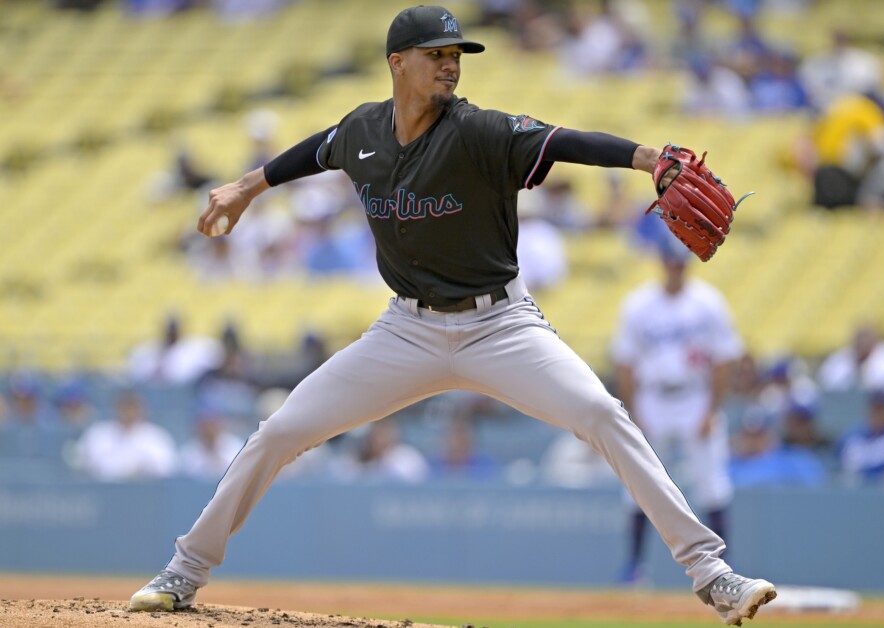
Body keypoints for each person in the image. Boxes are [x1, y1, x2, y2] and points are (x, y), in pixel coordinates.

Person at [129, 7, 775, 624]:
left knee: (603, 413)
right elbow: (313, 151)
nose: (450, 65)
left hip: (501, 326)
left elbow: (567, 141)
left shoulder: (478, 132)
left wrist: (649, 159)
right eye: (436, 55)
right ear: (397, 62)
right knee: (278, 432)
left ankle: (712, 573)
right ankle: (183, 572)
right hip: (405, 331)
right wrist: (245, 187)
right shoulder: (362, 133)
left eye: (456, 55)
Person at [611, 237, 742, 588]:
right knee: (639, 482)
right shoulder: (639, 304)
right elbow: (625, 362)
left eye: (680, 262)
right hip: (652, 398)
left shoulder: (708, 302)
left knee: (712, 484)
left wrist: (712, 410)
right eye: (670, 261)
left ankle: (723, 572)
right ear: (661, 262)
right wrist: (636, 411)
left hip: (695, 396)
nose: (675, 268)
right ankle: (635, 568)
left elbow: (725, 359)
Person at [73, 391, 177, 482]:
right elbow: (80, 465)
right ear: (116, 408)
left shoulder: (157, 437)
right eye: (125, 407)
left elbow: (167, 470)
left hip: (145, 496)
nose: (128, 412)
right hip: (104, 494)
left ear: (142, 409)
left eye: (133, 407)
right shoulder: (97, 434)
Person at [817, 323, 884, 393]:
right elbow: (827, 387)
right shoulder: (838, 360)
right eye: (859, 338)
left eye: (866, 337)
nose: (862, 342)